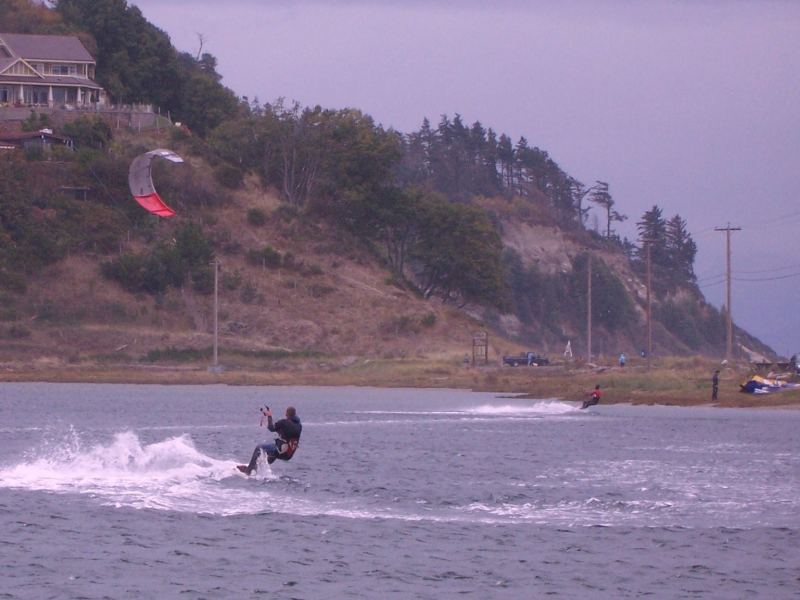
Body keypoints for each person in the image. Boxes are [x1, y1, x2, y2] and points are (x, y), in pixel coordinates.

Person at [237, 406, 302, 475]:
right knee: (271, 454)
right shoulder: (299, 426)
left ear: (287, 414)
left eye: (286, 413)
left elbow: (271, 428)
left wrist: (269, 416)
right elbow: (289, 433)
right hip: (288, 455)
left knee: (259, 447)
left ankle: (249, 471)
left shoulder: (284, 422)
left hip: (280, 451)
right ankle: (256, 469)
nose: (285, 415)